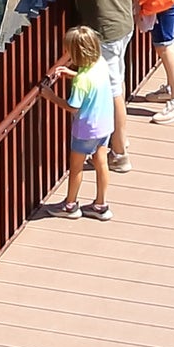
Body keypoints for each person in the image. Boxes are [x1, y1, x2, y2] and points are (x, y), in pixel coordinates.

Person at [58, 0, 136, 174]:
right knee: (118, 83)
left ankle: (120, 152)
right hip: (125, 19)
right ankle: (119, 139)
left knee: (114, 90)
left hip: (105, 28)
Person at [58, 24, 115, 220]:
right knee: (102, 163)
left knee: (76, 168)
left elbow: (73, 106)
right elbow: (92, 83)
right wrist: (73, 74)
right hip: (105, 124)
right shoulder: (100, 63)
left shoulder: (81, 80)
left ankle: (70, 205)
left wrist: (49, 96)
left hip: (85, 130)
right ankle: (101, 205)